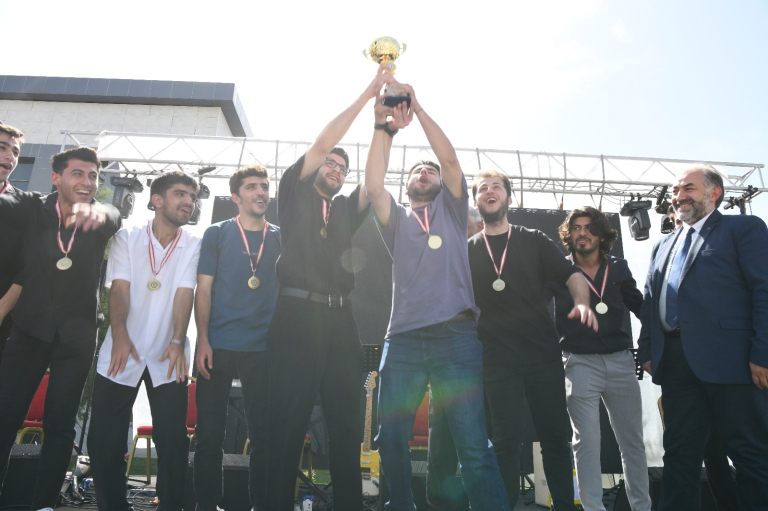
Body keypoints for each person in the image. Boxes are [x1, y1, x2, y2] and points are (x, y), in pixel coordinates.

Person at [366, 87, 510, 511]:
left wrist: (419, 109)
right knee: (390, 436)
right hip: (404, 339)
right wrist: (382, 128)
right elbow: (373, 185)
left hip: (456, 336)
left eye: (430, 171)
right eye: (417, 171)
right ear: (407, 185)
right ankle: (401, 505)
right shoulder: (396, 218)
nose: (426, 173)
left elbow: (449, 161)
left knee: (473, 443)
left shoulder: (452, 209)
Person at [264, 64, 393, 511]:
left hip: (340, 321)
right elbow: (321, 144)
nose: (336, 169)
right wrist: (367, 96)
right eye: (331, 164)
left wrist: (383, 126)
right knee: (286, 427)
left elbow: (374, 183)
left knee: (346, 427)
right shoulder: (294, 193)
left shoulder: (343, 212)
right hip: (295, 317)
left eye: (342, 167)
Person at [637, 165, 768, 510]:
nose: (679, 196)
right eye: (676, 190)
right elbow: (650, 301)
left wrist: (763, 353)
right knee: (679, 456)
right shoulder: (662, 245)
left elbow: (764, 291)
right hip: (677, 365)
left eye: (688, 189)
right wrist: (647, 350)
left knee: (751, 454)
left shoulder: (743, 229)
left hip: (735, 362)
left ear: (714, 193)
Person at [467, 170, 598, 511]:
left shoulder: (533, 239)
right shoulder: (467, 250)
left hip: (542, 357)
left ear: (509, 198)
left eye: (497, 187)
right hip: (497, 360)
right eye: (483, 188)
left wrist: (583, 302)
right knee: (505, 442)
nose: (490, 191)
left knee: (555, 438)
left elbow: (572, 275)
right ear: (476, 201)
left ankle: (565, 506)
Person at [0, 147, 121, 511]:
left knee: (60, 424)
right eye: (78, 174)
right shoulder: (32, 208)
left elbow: (115, 214)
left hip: (78, 335)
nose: (87, 182)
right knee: (5, 416)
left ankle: (44, 504)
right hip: (29, 328)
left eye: (93, 175)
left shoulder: (100, 216)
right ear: (56, 178)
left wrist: (101, 210)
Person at [87, 171, 200, 511]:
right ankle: (112, 506)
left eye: (192, 197)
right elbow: (119, 289)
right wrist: (120, 336)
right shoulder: (127, 237)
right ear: (157, 200)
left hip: (169, 354)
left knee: (173, 440)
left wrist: (178, 340)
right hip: (122, 351)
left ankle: (170, 505)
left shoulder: (194, 243)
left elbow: (185, 293)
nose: (189, 202)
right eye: (181, 194)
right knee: (103, 439)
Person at [553, 206, 651, 511]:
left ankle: (642, 507)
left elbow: (641, 308)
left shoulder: (618, 268)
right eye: (576, 228)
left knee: (632, 442)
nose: (582, 233)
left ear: (601, 234)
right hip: (579, 363)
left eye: (589, 227)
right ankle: (593, 508)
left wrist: (652, 349)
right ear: (569, 235)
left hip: (621, 361)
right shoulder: (558, 269)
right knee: (586, 442)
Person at [194, 165, 280, 511]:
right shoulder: (216, 233)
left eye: (264, 186)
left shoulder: (281, 237)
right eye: (251, 187)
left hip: (263, 349)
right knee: (209, 435)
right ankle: (207, 505)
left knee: (263, 436)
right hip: (217, 345)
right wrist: (202, 339)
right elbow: (203, 289)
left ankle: (261, 505)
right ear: (235, 197)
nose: (260, 192)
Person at [0, 124, 25, 367]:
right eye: (2, 148)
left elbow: (25, 269)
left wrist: (2, 310)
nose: (10, 156)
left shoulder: (24, 207)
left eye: (15, 152)